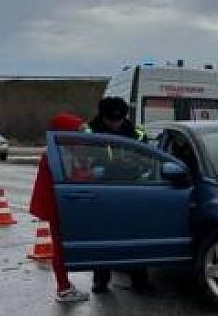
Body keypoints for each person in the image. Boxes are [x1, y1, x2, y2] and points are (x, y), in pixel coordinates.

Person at [84, 96, 152, 294]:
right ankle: (101, 280)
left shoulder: (137, 133)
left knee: (136, 236)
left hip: (131, 190)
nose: (115, 124)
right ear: (101, 116)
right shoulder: (89, 131)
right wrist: (95, 170)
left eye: (118, 120)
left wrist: (137, 171)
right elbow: (78, 158)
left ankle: (140, 279)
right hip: (101, 191)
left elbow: (148, 160)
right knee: (103, 237)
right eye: (110, 120)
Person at [29, 112, 89, 303]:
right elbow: (70, 177)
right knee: (60, 248)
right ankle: (63, 288)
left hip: (55, 203)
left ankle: (64, 285)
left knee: (60, 246)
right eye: (76, 130)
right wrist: (88, 174)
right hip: (56, 205)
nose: (80, 134)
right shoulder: (58, 153)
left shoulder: (59, 149)